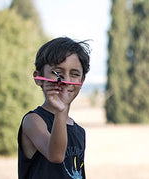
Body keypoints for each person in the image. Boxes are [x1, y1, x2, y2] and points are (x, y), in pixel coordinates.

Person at [18, 37, 90, 179]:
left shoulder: (79, 132)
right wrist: (61, 110)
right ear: (38, 78)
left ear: (82, 81)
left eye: (74, 74)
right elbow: (56, 156)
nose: (66, 80)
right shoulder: (33, 121)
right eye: (57, 73)